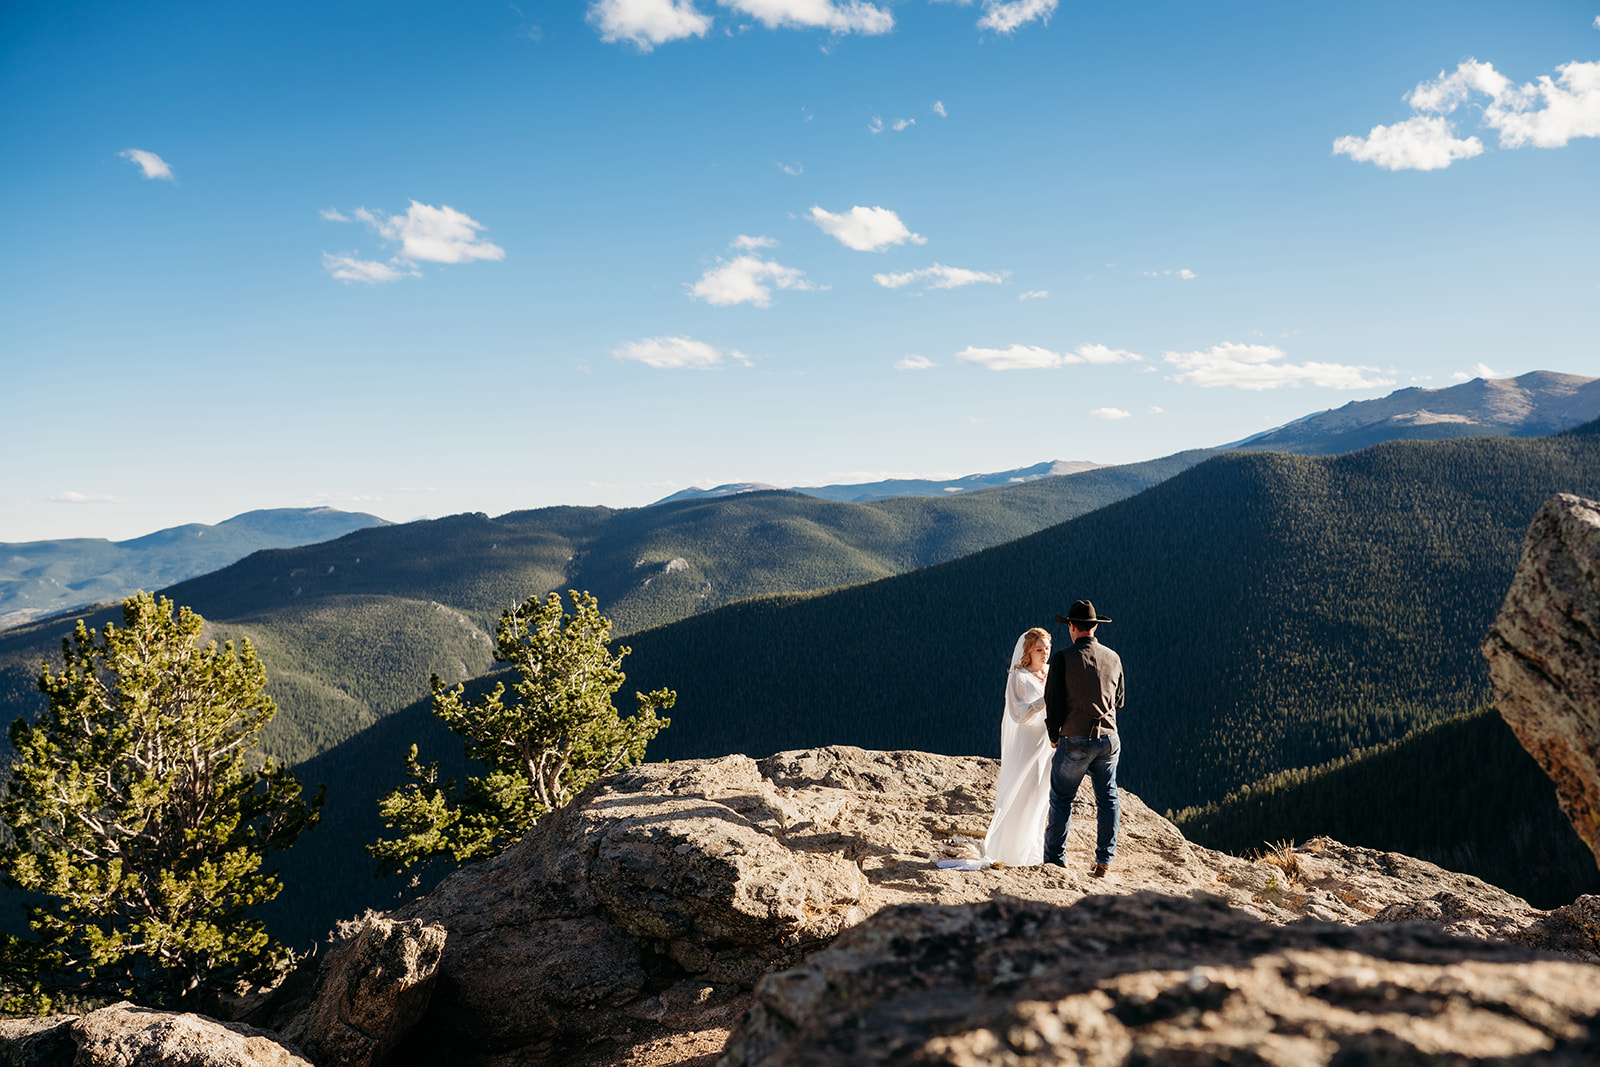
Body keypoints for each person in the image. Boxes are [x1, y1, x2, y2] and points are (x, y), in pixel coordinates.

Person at [1042, 599, 1124, 877]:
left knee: (1062, 799)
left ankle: (1055, 861)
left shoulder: (1062, 658)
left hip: (1075, 737)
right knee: (1108, 797)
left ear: (1072, 627)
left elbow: (1052, 703)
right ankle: (1104, 860)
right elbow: (1120, 700)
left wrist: (1055, 735)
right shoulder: (1113, 657)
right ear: (1096, 626)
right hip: (1109, 737)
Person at [981, 627, 1053, 866]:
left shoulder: (1051, 673)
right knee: (1024, 792)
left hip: (1049, 744)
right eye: (1039, 649)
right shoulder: (1018, 677)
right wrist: (1044, 701)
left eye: (1047, 649)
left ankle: (1034, 847)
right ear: (1028, 652)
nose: (1044, 654)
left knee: (1042, 795)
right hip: (1028, 742)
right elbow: (1017, 713)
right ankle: (1012, 851)